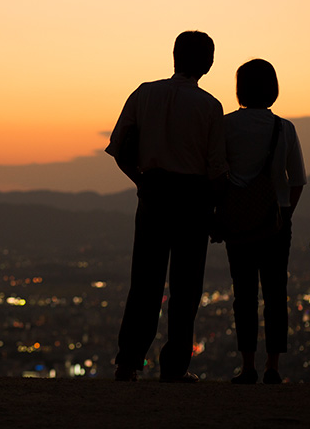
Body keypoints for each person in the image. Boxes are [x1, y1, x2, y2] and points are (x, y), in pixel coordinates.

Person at [106, 31, 228, 382]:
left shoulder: (144, 93)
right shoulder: (209, 106)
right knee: (186, 286)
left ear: (174, 57)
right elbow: (216, 168)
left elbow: (119, 147)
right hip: (194, 199)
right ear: (208, 64)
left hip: (154, 193)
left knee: (145, 280)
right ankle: (175, 367)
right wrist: (217, 209)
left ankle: (128, 362)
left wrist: (142, 180)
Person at [223, 59, 306, 385]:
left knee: (243, 293)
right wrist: (284, 215)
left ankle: (247, 367)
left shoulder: (226, 126)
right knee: (275, 293)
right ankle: (272, 366)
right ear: (272, 89)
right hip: (276, 223)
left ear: (240, 89)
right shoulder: (284, 128)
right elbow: (297, 179)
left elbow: (217, 172)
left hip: (238, 223)